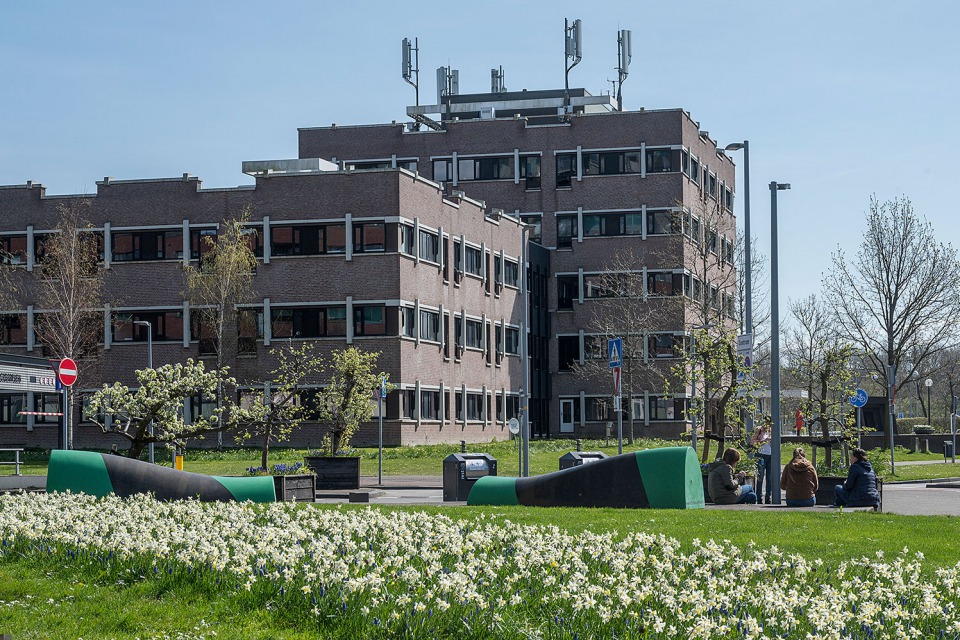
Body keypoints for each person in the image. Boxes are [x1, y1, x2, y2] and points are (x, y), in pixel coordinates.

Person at [749, 419, 773, 504]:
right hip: (761, 455)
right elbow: (752, 442)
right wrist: (763, 441)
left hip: (770, 455)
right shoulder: (759, 430)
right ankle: (759, 497)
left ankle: (768, 497)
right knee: (760, 476)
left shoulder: (772, 431)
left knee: (770, 478)